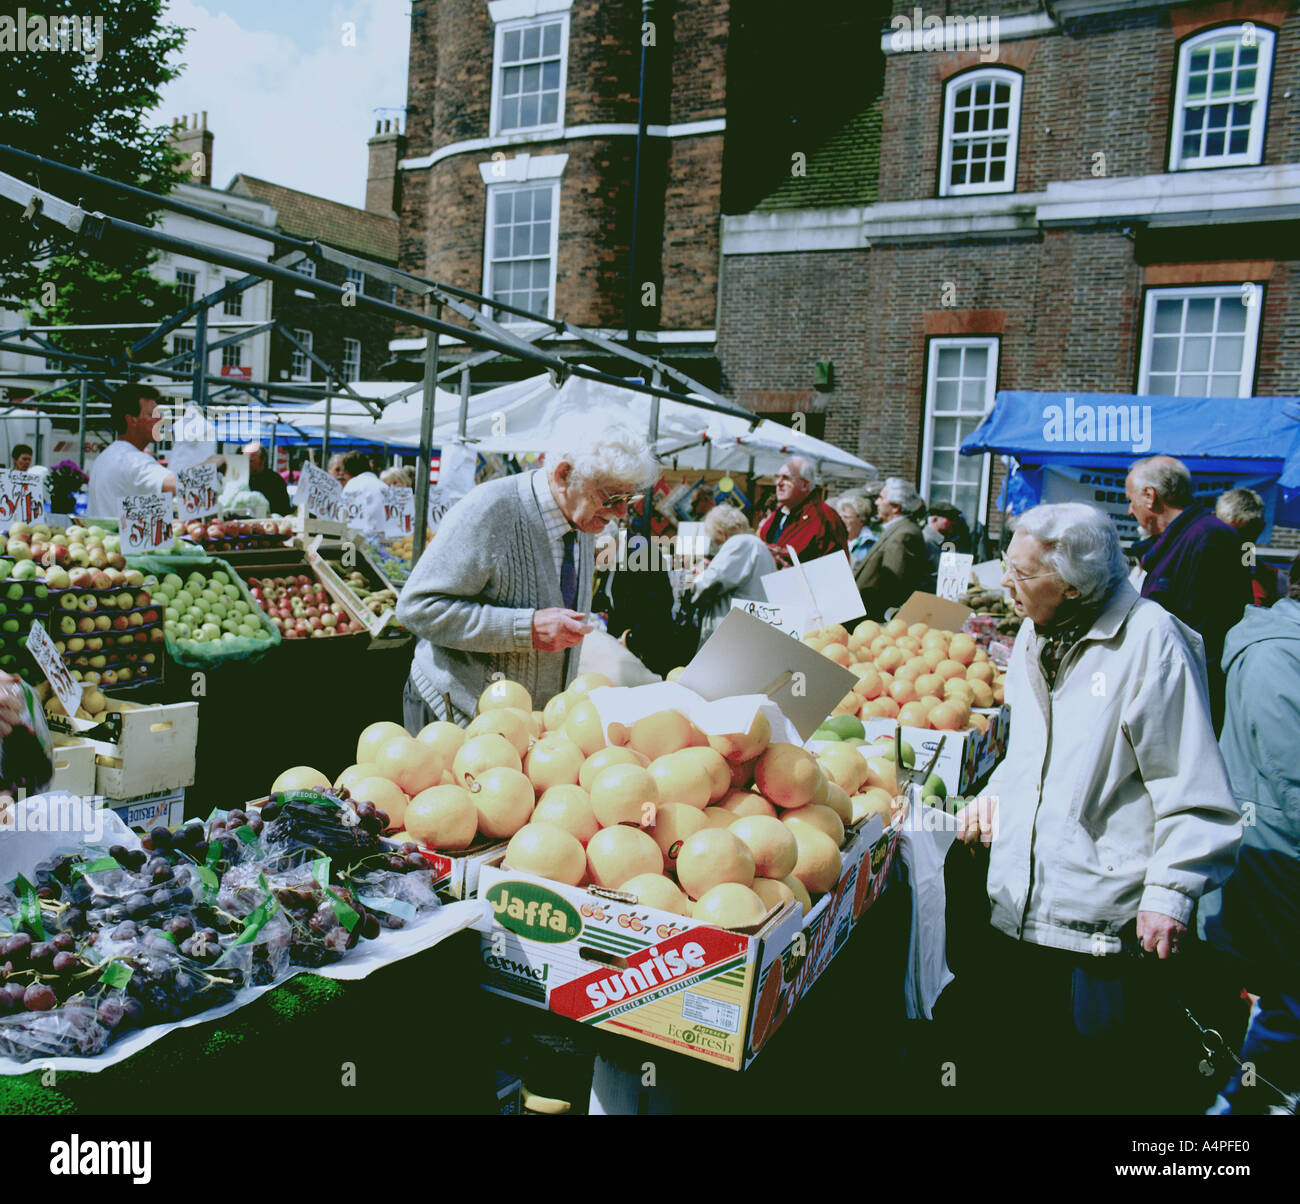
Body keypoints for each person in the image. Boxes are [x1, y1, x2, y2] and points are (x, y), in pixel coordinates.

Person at [955, 502, 1241, 1113]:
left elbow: (1191, 787)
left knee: (1094, 1084)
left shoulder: (1152, 642)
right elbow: (1033, 755)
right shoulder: (1037, 632)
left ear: (1074, 582)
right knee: (1023, 1074)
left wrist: (1172, 893)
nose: (1007, 583)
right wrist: (994, 797)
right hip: (1018, 905)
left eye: (1023, 574)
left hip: (1100, 924)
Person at [395, 426, 660, 726]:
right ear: (563, 475)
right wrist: (526, 628)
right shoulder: (492, 508)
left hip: (520, 725)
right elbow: (415, 608)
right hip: (453, 713)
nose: (622, 511)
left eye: (630, 497)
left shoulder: (582, 518)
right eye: (612, 497)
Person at [1197, 577, 1300, 1114]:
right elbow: (1292, 776)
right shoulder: (1276, 655)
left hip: (1278, 854)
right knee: (1286, 1000)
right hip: (1278, 859)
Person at [1125, 455, 1252, 732]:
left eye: (1131, 499)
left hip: (1190, 703)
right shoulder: (1181, 541)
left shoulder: (1210, 539)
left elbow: (1207, 637)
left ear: (1150, 496)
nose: (1129, 511)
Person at [86, 383, 222, 517]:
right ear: (132, 420)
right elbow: (180, 484)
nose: (160, 420)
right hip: (120, 537)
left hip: (108, 536)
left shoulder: (108, 455)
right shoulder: (133, 459)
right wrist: (214, 462)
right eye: (152, 415)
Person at [688, 503, 778, 648]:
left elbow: (710, 582)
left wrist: (691, 582)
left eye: (717, 543)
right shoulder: (756, 544)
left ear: (722, 533)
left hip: (734, 632)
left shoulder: (740, 542)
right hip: (750, 628)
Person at [853, 478, 930, 618]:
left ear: (895, 507)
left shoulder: (904, 534)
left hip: (876, 618)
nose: (876, 502)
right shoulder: (898, 529)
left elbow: (890, 587)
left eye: (881, 498)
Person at [756, 457, 848, 569]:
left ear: (805, 485)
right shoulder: (777, 515)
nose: (778, 483)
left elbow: (835, 570)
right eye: (777, 477)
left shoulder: (824, 518)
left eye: (786, 478)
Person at [1215, 487, 1278, 608]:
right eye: (1230, 535)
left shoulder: (1270, 578)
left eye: (1247, 536)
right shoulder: (1196, 568)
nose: (1238, 543)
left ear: (1260, 529)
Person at [339, 449, 388, 536]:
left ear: (347, 473)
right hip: (385, 539)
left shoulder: (352, 485)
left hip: (358, 540)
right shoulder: (384, 486)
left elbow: (342, 516)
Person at [243, 441, 292, 516]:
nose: (246, 463)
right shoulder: (241, 480)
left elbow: (282, 511)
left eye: (251, 461)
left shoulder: (275, 481)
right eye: (244, 460)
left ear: (263, 461)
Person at [832, 492, 876, 567]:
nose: (841, 521)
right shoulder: (834, 539)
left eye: (847, 517)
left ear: (861, 520)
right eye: (840, 517)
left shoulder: (871, 544)